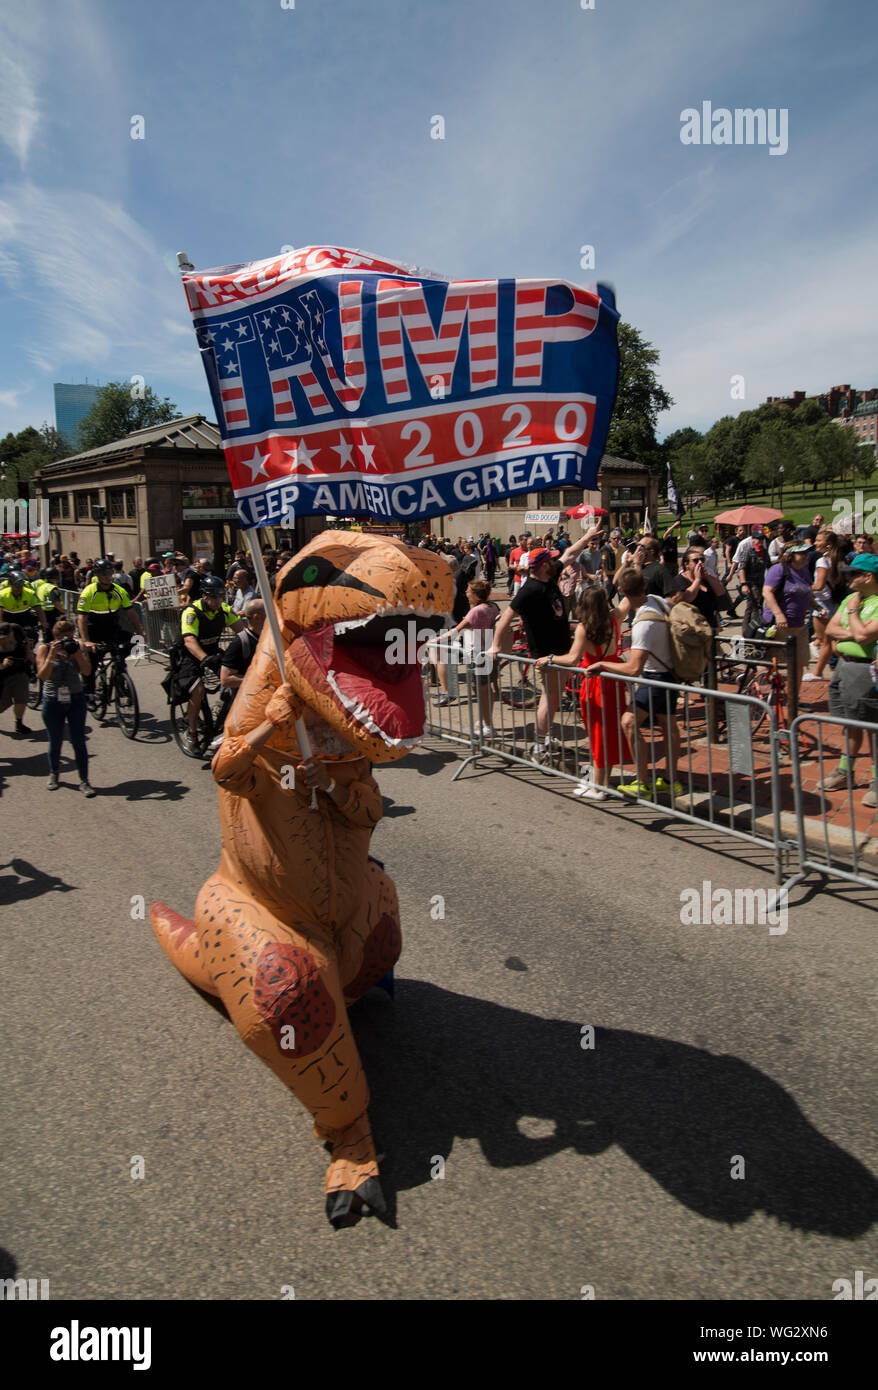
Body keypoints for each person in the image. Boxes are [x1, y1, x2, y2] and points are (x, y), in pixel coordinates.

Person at [489, 531, 593, 762]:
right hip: (547, 654)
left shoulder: (549, 575)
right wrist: (495, 645)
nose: (555, 562)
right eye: (550, 560)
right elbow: (505, 618)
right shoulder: (529, 590)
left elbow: (570, 553)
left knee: (554, 698)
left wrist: (588, 535)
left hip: (562, 651)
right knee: (550, 698)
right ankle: (539, 744)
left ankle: (544, 739)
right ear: (542, 565)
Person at [588, 566, 683, 799]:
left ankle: (642, 782)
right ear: (644, 586)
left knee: (629, 721)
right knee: (668, 725)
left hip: (656, 678)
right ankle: (671, 780)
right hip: (670, 672)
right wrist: (631, 564)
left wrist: (602, 665)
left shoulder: (643, 624)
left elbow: (633, 668)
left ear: (621, 590)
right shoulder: (657, 601)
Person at [536, 584, 630, 800]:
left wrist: (550, 658)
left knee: (597, 735)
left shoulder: (584, 627)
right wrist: (633, 565)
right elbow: (626, 600)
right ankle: (601, 782)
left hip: (595, 683)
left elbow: (571, 659)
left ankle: (598, 788)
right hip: (614, 680)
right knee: (609, 734)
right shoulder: (614, 619)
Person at [819, 554, 878, 802]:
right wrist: (855, 631)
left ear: (868, 576)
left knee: (873, 727)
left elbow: (865, 636)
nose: (847, 578)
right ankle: (845, 771)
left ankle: (876, 780)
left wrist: (853, 614)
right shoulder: (848, 599)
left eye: (853, 574)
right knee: (849, 723)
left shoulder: (860, 603)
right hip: (843, 668)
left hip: (867, 672)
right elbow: (830, 629)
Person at [176, 575, 245, 754]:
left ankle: (222, 710)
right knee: (198, 690)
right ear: (204, 596)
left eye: (221, 596)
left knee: (236, 678)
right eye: (213, 597)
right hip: (192, 656)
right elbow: (190, 641)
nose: (217, 600)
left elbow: (242, 632)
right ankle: (191, 731)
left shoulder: (223, 610)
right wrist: (204, 658)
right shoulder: (191, 612)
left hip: (214, 653)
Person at [35, 618, 94, 793]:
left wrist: (77, 653)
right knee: (55, 740)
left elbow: (87, 672)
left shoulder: (78, 647)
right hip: (52, 699)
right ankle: (54, 773)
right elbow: (43, 676)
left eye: (70, 636)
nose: (67, 641)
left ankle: (84, 780)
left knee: (79, 741)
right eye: (63, 638)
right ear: (55, 637)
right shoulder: (45, 649)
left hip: (75, 698)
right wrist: (52, 656)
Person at [76, 558, 146, 693]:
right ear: (96, 575)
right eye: (104, 574)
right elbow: (82, 618)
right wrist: (86, 641)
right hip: (92, 630)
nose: (108, 577)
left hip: (111, 627)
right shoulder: (89, 592)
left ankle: (119, 677)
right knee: (92, 663)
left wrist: (140, 632)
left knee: (129, 646)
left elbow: (131, 614)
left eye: (110, 573)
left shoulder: (119, 591)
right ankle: (89, 692)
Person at [440, 578, 499, 736]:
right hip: (487, 651)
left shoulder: (475, 612)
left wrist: (433, 641)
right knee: (484, 689)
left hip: (478, 654)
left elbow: (455, 631)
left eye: (468, 591)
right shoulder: (493, 606)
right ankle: (485, 720)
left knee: (482, 690)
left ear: (476, 596)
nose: (466, 594)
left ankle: (488, 726)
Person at [761, 542, 817, 694]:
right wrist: (779, 615)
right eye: (802, 553)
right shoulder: (778, 569)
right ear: (790, 555)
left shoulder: (805, 571)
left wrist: (817, 607)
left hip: (799, 626)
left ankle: (794, 699)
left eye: (807, 553)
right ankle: (766, 690)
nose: (806, 556)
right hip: (779, 626)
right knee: (774, 663)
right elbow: (767, 592)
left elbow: (806, 594)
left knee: (798, 664)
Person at [808, 530, 845, 682]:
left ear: (828, 544)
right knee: (831, 641)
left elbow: (820, 585)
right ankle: (851, 662)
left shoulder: (822, 561)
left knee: (825, 642)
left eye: (818, 540)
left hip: (822, 603)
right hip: (833, 602)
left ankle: (817, 672)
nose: (815, 543)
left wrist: (805, 587)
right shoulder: (837, 559)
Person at [0, 620, 31, 736]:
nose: (4, 640)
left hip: (19, 671)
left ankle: (19, 723)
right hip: (2, 676)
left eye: (5, 637)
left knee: (21, 698)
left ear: (11, 633)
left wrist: (29, 654)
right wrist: (2, 665)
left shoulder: (17, 629)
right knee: (4, 704)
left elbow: (26, 641)